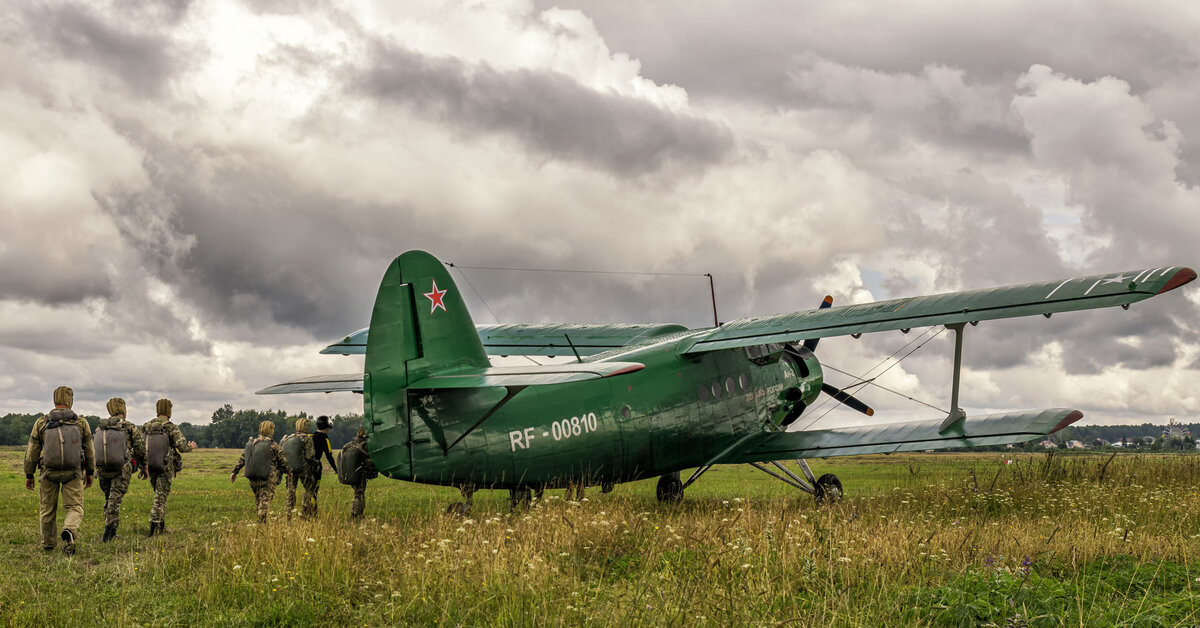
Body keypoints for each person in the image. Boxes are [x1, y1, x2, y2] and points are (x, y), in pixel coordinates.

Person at [24, 386, 94, 555]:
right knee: (75, 507)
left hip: (48, 472)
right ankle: (69, 529)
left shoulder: (42, 422)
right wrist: (90, 472)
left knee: (47, 508)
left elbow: (32, 450)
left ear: (54, 400)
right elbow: (90, 449)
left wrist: (29, 474)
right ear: (70, 400)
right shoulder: (81, 422)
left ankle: (48, 544)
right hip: (73, 472)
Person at [141, 398, 196, 536]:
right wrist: (191, 447)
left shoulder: (147, 426)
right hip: (165, 467)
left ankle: (161, 526)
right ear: (169, 411)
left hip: (150, 466)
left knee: (158, 495)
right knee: (160, 497)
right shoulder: (170, 427)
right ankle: (154, 528)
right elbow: (182, 447)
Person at [94, 397, 147, 542]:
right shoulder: (129, 427)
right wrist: (144, 466)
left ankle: (109, 526)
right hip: (122, 467)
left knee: (108, 497)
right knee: (115, 498)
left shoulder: (100, 427)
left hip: (103, 468)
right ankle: (109, 532)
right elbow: (140, 449)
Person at [229, 421, 292, 523]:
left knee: (259, 501)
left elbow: (243, 459)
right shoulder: (273, 445)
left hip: (252, 478)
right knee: (264, 502)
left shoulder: (252, 443)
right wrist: (289, 471)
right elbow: (282, 461)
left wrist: (234, 472)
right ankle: (261, 524)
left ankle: (260, 524)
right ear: (271, 430)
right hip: (267, 479)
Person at [281, 418, 317, 520]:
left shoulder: (290, 438)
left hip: (290, 469)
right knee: (309, 489)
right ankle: (305, 513)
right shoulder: (307, 439)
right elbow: (310, 457)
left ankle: (288, 514)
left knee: (290, 491)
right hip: (304, 469)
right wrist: (316, 464)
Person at [338, 428, 378, 520]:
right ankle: (356, 513)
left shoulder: (352, 444)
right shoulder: (364, 445)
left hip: (351, 472)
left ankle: (358, 513)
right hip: (360, 473)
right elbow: (368, 460)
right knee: (359, 493)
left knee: (357, 492)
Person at [311, 415, 338, 482]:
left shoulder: (311, 436)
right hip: (315, 465)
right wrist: (335, 468)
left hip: (306, 465)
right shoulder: (324, 438)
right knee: (315, 486)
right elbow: (329, 455)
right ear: (326, 427)